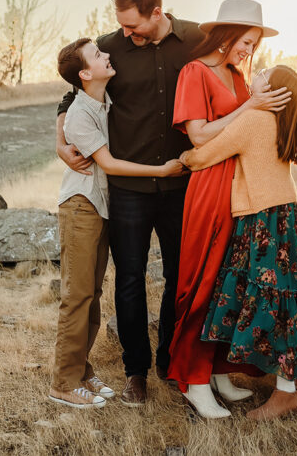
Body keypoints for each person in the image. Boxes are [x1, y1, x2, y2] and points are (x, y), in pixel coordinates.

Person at [167, 0, 291, 419]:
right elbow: (199, 137)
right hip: (210, 186)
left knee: (229, 284)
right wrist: (249, 107)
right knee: (202, 281)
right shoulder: (195, 73)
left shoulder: (241, 76)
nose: (249, 50)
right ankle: (192, 378)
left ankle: (219, 371)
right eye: (245, 41)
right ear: (226, 34)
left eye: (254, 44)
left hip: (242, 190)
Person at [180, 65, 297, 420]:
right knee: (286, 298)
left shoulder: (255, 121)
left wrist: (183, 159)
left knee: (263, 297)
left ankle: (286, 393)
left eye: (262, 74)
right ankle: (284, 386)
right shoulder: (292, 126)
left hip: (261, 219)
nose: (255, 76)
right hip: (286, 217)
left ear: (272, 91)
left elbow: (206, 153)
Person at [50, 37, 186, 409]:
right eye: (98, 55)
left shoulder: (100, 100)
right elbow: (108, 163)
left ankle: (81, 369)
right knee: (77, 295)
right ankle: (63, 381)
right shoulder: (80, 113)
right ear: (84, 73)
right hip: (81, 206)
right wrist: (161, 170)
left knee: (91, 294)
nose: (107, 55)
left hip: (99, 207)